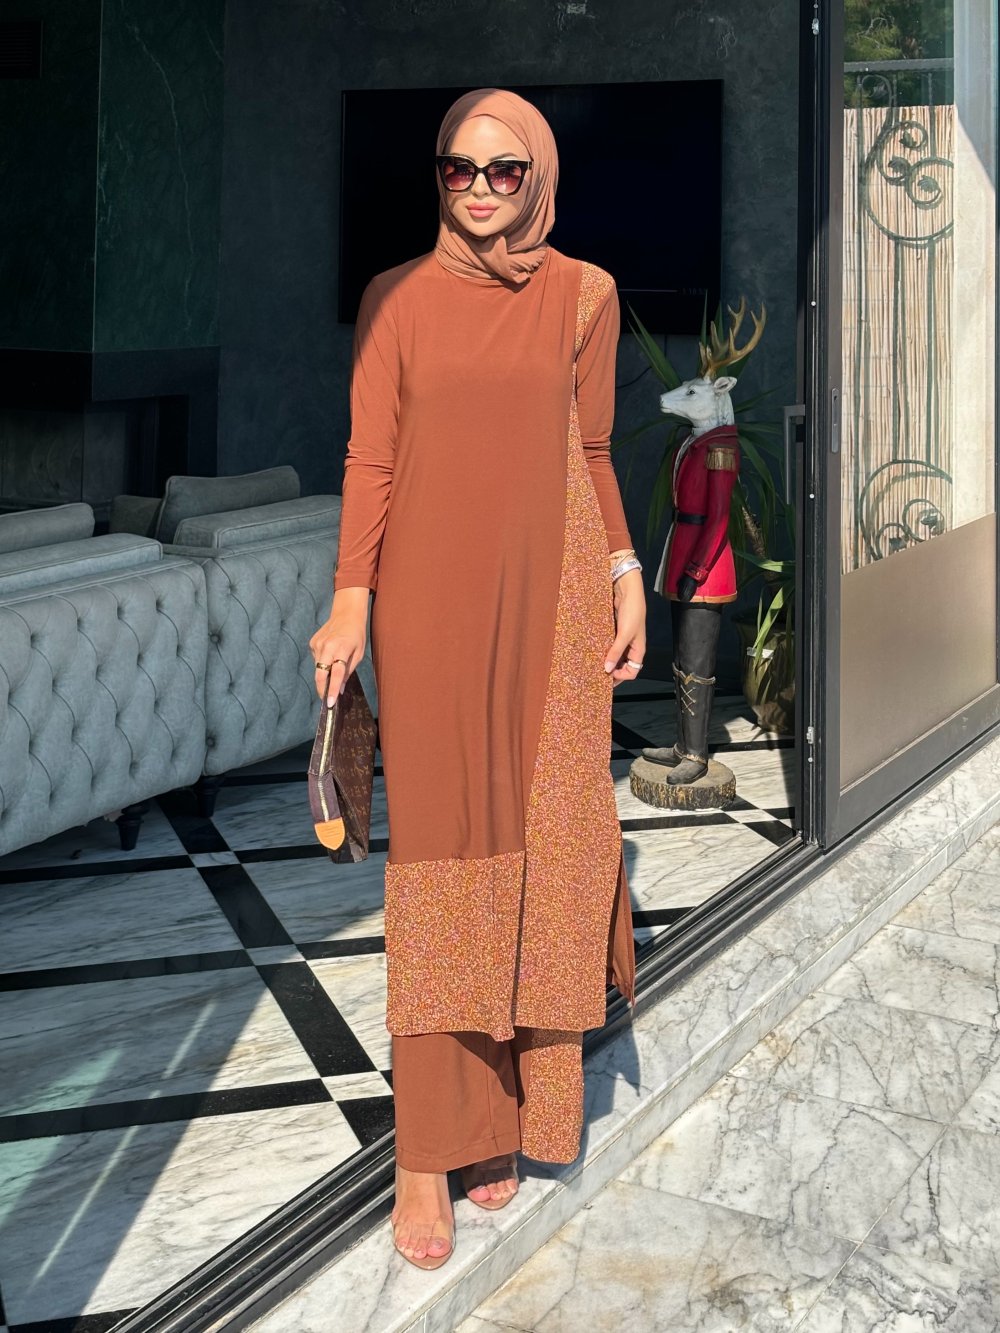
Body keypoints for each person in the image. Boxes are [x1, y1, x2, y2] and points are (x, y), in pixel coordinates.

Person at [309, 87, 645, 1271]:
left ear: (538, 177)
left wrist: (624, 568)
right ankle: (426, 1147)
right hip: (431, 610)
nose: (481, 190)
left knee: (540, 844)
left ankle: (502, 1111)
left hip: (553, 602)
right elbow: (370, 456)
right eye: (460, 168)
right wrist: (350, 598)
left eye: (505, 171)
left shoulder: (586, 295)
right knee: (443, 865)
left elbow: (590, 450)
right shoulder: (395, 298)